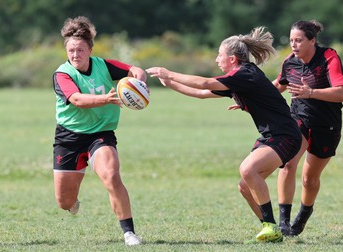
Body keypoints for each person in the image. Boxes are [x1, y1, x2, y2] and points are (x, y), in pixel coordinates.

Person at [146, 27, 302, 243]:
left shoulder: (245, 73)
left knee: (248, 169)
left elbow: (205, 83)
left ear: (231, 58)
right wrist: (171, 83)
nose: (216, 58)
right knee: (245, 186)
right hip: (272, 135)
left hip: (286, 135)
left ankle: (269, 226)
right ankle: (272, 229)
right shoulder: (238, 77)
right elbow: (202, 93)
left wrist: (169, 72)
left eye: (219, 54)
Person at [239, 20, 343, 237]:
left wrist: (311, 93)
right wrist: (250, 101)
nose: (293, 45)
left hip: (327, 124)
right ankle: (284, 222)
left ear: (312, 40)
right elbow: (277, 86)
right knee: (287, 163)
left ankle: (303, 216)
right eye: (291, 40)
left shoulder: (328, 57)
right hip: (297, 120)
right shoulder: (290, 62)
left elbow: (340, 91)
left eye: (299, 40)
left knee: (310, 179)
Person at [52, 16, 146, 246]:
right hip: (69, 137)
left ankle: (129, 233)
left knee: (112, 176)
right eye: (71, 50)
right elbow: (76, 99)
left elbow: (135, 70)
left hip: (100, 134)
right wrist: (106, 99)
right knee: (64, 202)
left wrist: (139, 83)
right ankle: (73, 201)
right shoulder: (62, 74)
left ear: (90, 49)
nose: (75, 55)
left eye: (80, 50)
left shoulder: (103, 65)